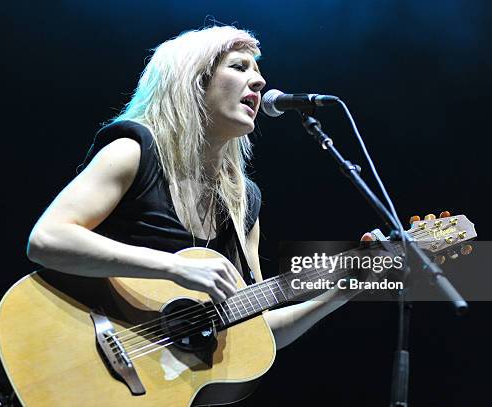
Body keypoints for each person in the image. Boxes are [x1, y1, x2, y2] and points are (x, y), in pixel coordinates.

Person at [24, 25, 354, 351]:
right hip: (73, 347)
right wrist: (174, 267)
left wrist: (338, 294)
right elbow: (47, 239)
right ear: (194, 83)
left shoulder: (243, 202)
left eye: (257, 72)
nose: (260, 81)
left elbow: (255, 329)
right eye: (239, 67)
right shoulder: (133, 152)